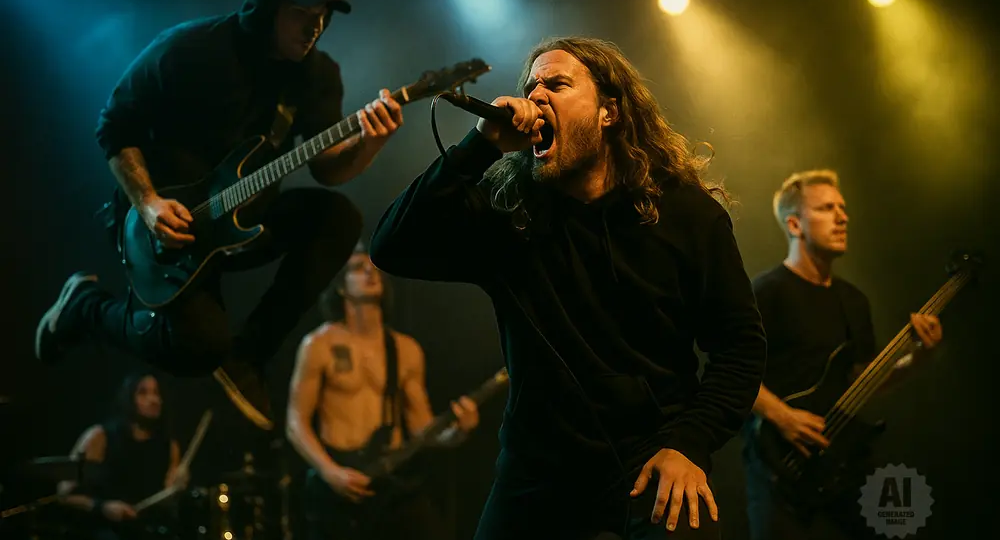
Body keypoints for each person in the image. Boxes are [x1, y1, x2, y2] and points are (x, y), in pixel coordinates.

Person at [368, 36, 767, 539]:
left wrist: (690, 443)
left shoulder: (684, 215)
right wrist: (478, 147)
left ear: (609, 112)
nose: (537, 95)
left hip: (652, 465)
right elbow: (390, 246)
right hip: (536, 475)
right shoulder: (509, 212)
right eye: (531, 85)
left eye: (556, 84)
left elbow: (740, 346)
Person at [34, 0, 404, 430]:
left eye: (322, 18)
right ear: (265, 8)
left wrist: (372, 142)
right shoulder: (189, 49)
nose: (314, 27)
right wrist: (147, 203)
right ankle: (85, 308)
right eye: (301, 14)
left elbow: (326, 170)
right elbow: (114, 127)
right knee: (195, 350)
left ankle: (249, 356)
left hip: (242, 223)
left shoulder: (317, 75)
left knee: (339, 218)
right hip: (164, 226)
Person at [741, 169, 944, 540]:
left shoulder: (853, 300)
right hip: (777, 465)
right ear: (794, 224)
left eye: (843, 207)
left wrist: (918, 359)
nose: (842, 216)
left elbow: (864, 382)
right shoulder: (765, 293)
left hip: (840, 461)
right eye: (826, 208)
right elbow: (734, 373)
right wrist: (783, 416)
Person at [286, 243, 480, 540]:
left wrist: (456, 433)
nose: (370, 272)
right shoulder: (319, 345)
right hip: (339, 483)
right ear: (340, 287)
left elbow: (422, 429)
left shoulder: (405, 349)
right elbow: (295, 422)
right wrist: (330, 472)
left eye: (375, 268)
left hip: (393, 485)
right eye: (358, 268)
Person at [57, 373, 187, 540]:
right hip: (99, 529)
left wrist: (177, 487)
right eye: (143, 393)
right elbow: (64, 494)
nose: (153, 399)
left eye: (156, 393)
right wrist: (102, 507)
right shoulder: (100, 437)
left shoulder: (169, 446)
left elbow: (167, 499)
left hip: (146, 530)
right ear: (128, 398)